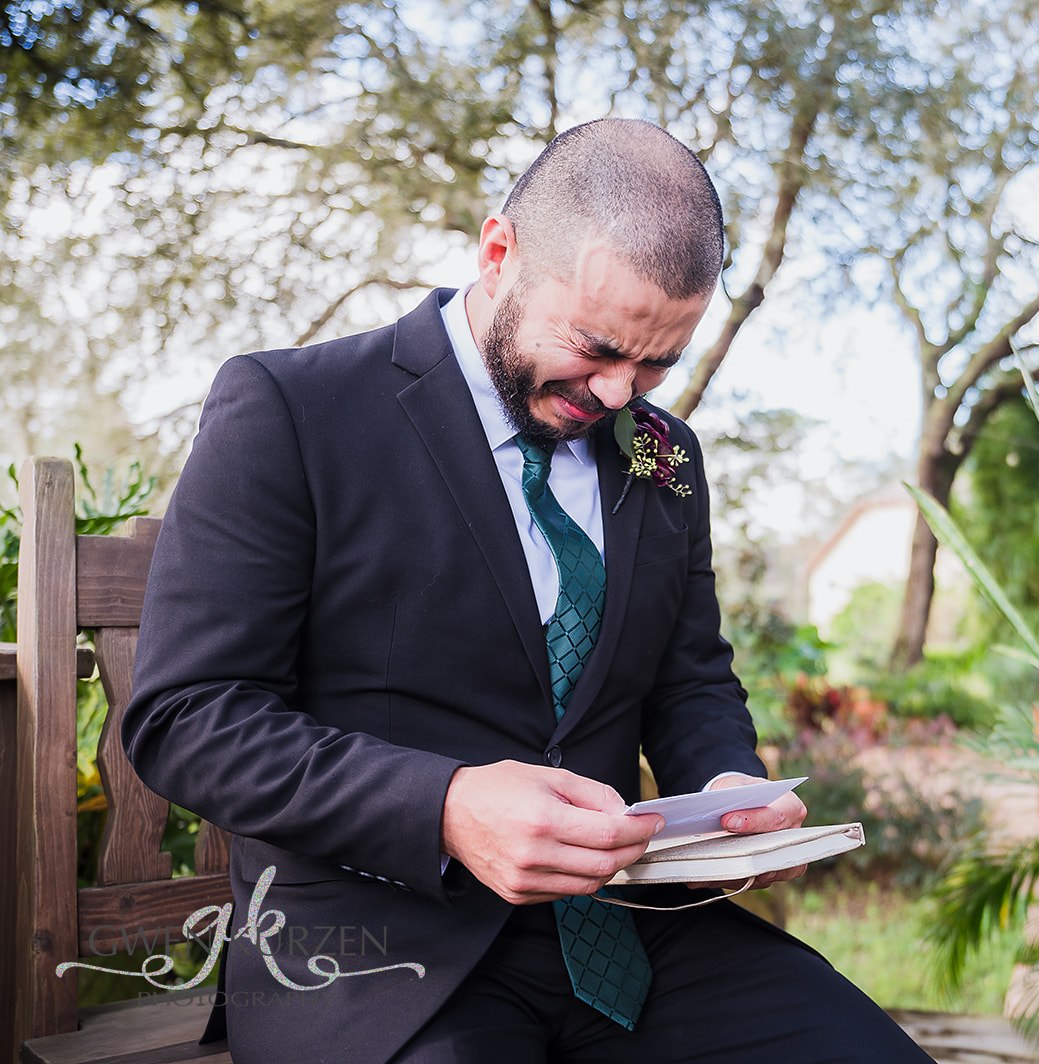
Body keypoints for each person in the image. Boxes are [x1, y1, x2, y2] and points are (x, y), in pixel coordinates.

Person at [123, 117, 933, 1064]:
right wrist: (445, 806)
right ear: (499, 249)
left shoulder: (667, 457)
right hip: (375, 957)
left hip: (636, 930)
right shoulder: (290, 410)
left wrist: (725, 790)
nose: (622, 394)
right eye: (595, 346)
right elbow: (188, 718)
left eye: (659, 360)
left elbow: (688, 680)